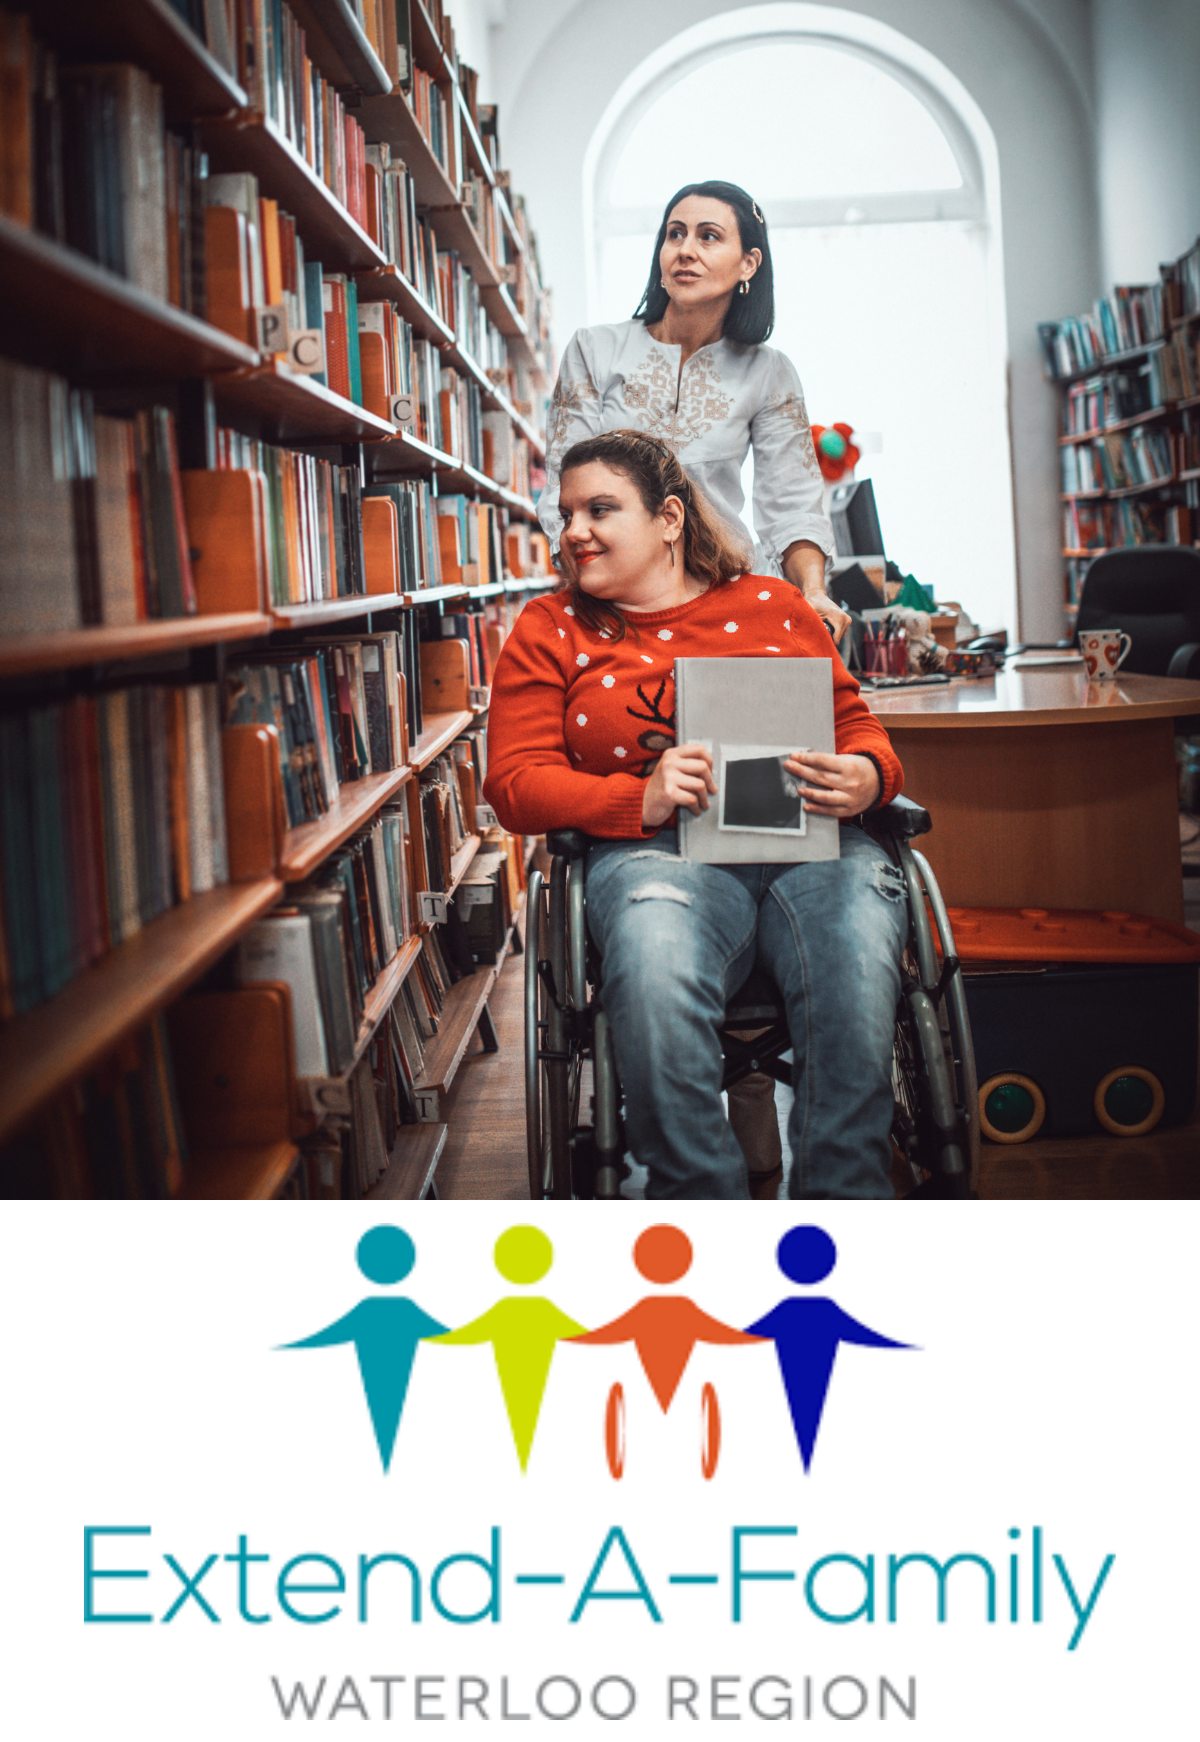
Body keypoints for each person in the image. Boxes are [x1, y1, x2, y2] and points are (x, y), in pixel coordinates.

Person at [484, 429, 908, 1200]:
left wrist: (868, 776)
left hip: (815, 845)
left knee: (854, 958)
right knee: (651, 960)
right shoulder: (550, 630)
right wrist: (634, 797)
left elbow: (857, 725)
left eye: (600, 509)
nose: (574, 530)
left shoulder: (774, 606)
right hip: (658, 855)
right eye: (567, 512)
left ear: (670, 519)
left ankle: (845, 1205)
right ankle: (696, 1205)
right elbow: (514, 783)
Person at [539, 181, 851, 1183]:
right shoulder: (597, 351)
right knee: (672, 822)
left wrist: (810, 594)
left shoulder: (768, 371)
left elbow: (796, 495)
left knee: (754, 817)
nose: (685, 247)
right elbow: (574, 472)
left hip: (734, 618)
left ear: (747, 262)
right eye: (674, 230)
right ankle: (718, 1136)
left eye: (710, 234)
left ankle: (754, 1097)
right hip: (620, 616)